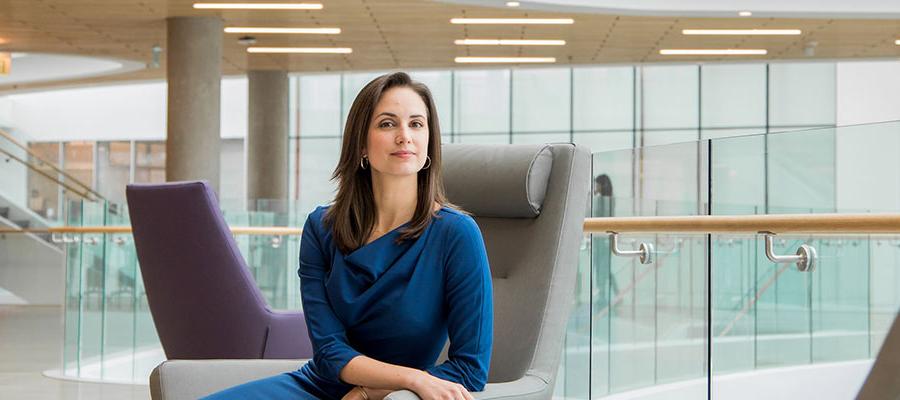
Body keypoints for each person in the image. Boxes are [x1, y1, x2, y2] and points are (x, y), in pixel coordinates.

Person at [203, 72, 493, 400]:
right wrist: (400, 379)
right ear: (361, 144)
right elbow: (328, 350)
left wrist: (372, 391)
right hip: (316, 386)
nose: (404, 136)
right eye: (387, 124)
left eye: (416, 124)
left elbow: (470, 367)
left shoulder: (457, 234)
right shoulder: (321, 227)